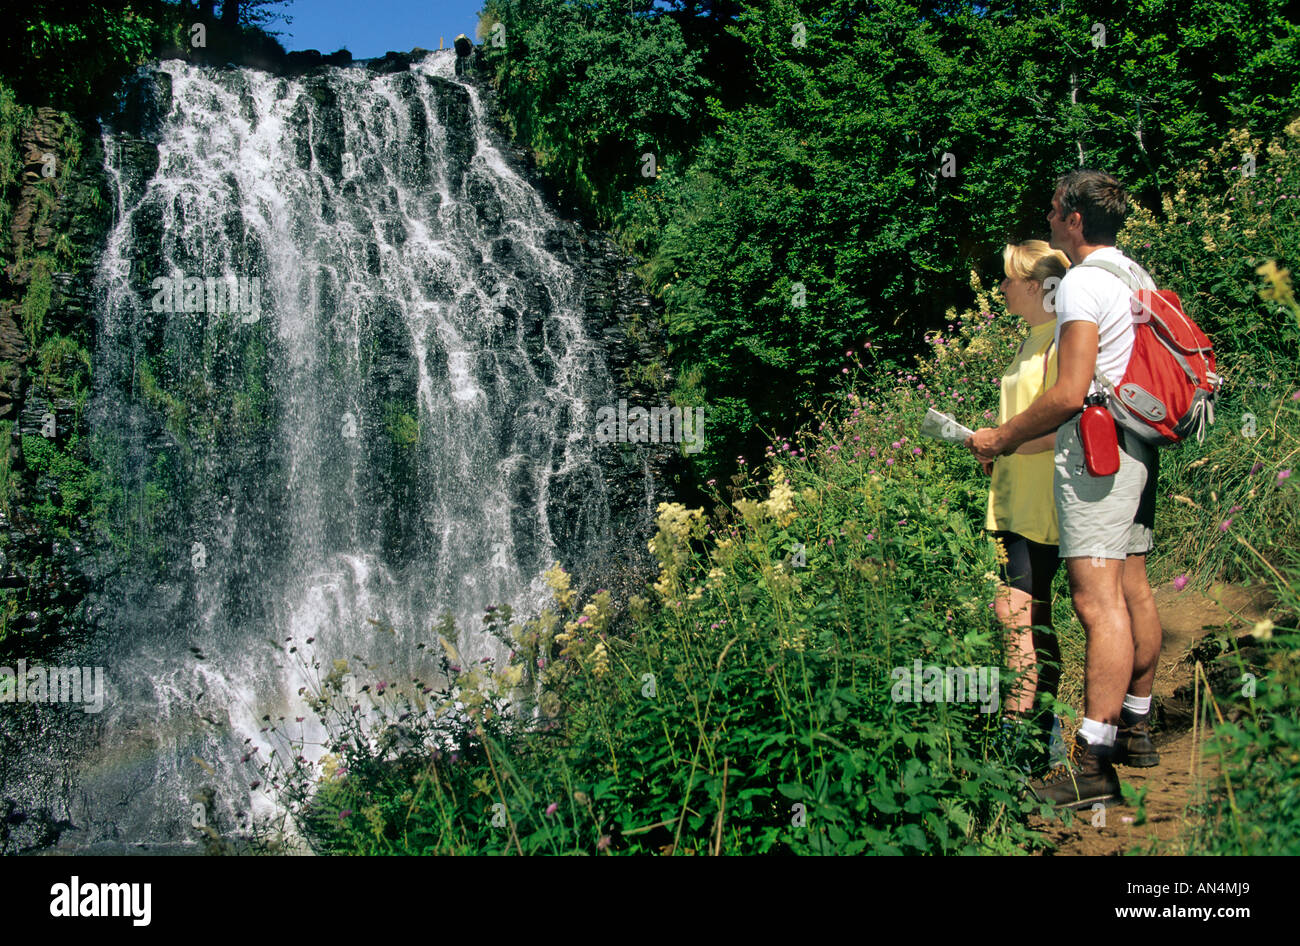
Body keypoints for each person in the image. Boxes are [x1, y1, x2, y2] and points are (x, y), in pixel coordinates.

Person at [966, 169, 1162, 810]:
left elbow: (1070, 394)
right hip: (1139, 446)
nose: (1049, 220)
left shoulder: (1080, 283)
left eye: (1054, 211)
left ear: (1075, 220)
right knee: (1123, 592)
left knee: (1095, 603)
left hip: (1099, 455)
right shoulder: (1136, 276)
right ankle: (1131, 724)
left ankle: (1091, 762)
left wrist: (1000, 438)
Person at [982, 241, 1069, 772]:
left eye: (1009, 280)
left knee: (1013, 616)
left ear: (1035, 285)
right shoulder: (1032, 340)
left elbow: (1065, 425)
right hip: (1017, 497)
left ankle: (1017, 754)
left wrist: (1003, 442)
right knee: (1034, 617)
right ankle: (1046, 745)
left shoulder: (1060, 341)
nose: (1003, 289)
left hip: (1043, 502)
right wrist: (995, 448)